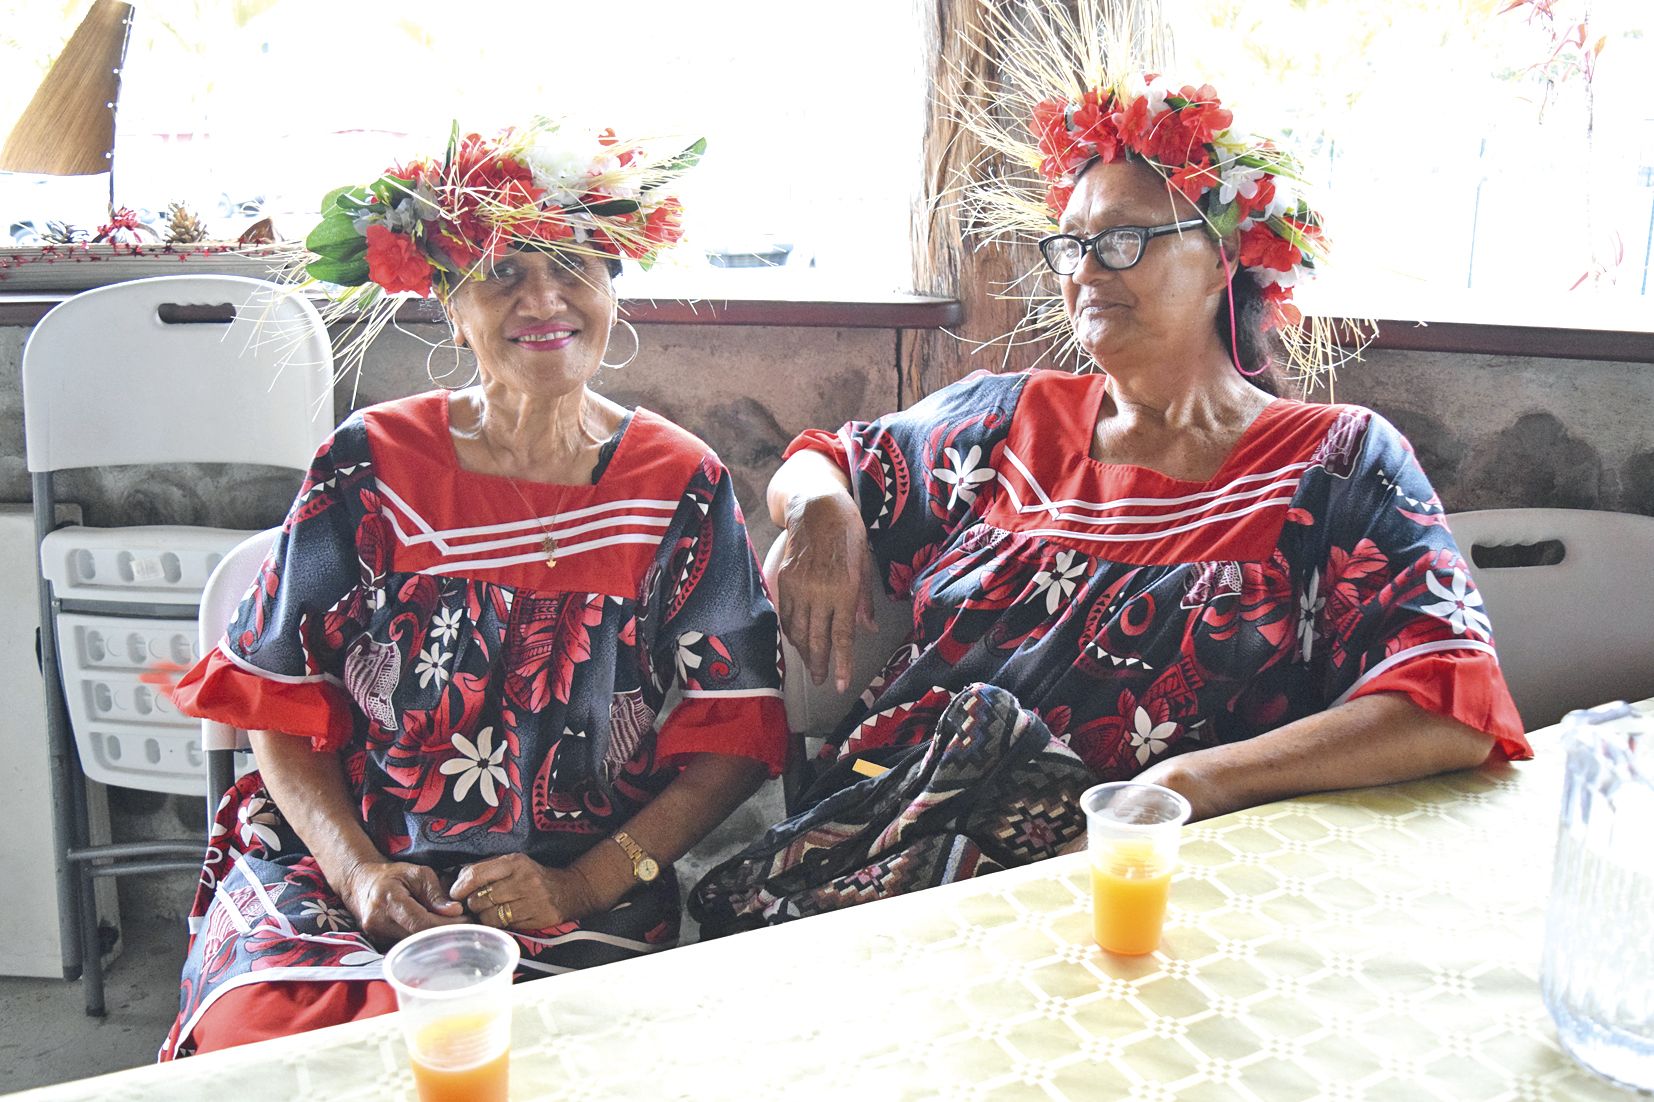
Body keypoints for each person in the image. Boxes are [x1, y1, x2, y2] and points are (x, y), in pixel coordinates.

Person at [690, 68, 1529, 936]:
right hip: (903, 850)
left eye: (1124, 241)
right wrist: (825, 507)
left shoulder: (1332, 464)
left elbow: (1448, 704)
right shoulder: (1009, 420)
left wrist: (1184, 786)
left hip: (1159, 888)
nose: (1086, 270)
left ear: (1225, 258)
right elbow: (824, 461)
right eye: (1071, 244)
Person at [162, 120, 785, 1058]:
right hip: (346, 874)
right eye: (502, 271)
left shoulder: (678, 485)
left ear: (612, 292)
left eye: (574, 266)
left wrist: (584, 884)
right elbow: (279, 702)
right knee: (281, 1049)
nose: (545, 298)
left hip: (570, 885)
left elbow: (735, 731)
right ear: (451, 307)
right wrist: (359, 873)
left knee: (545, 1059)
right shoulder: (366, 465)